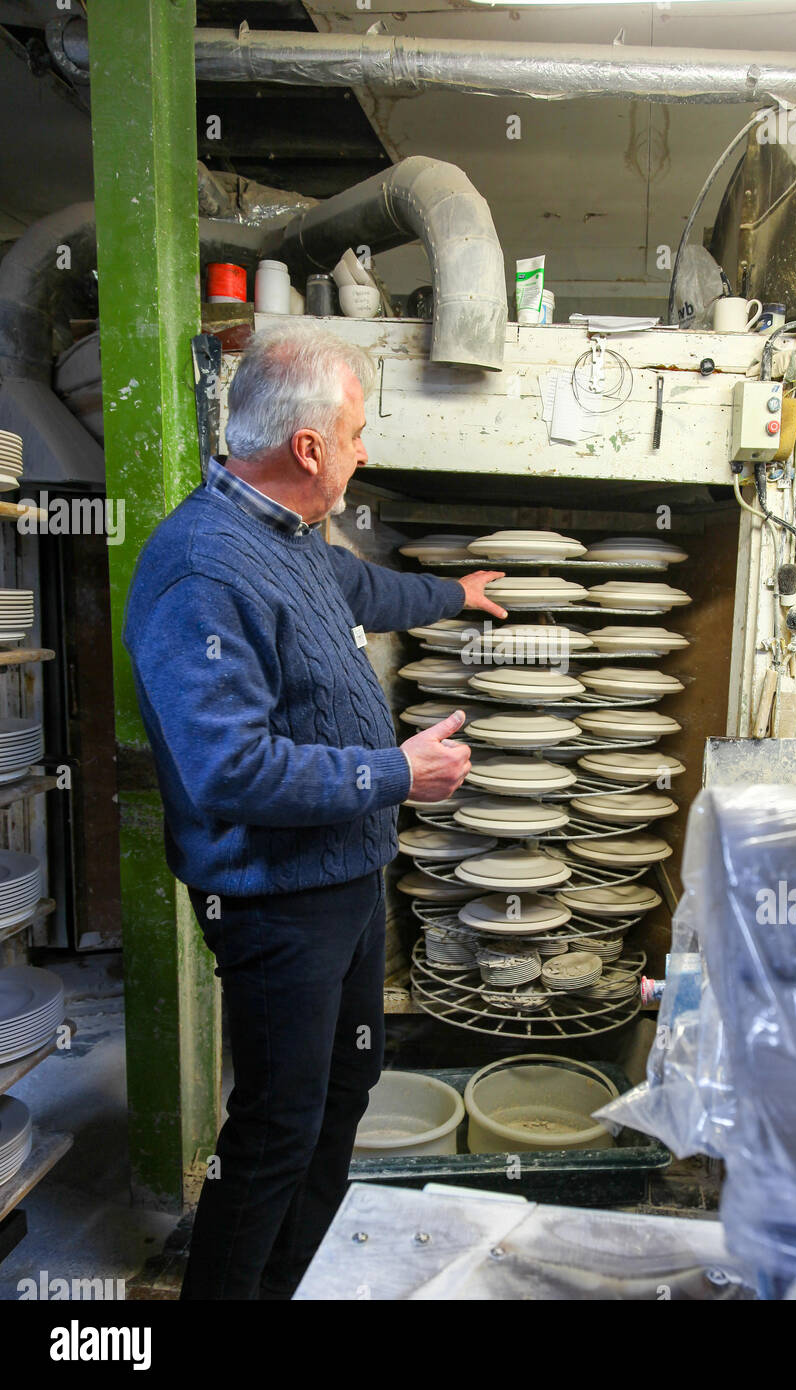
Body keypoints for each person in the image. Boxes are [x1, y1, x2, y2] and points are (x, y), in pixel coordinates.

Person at [122, 321, 506, 1299]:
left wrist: (452, 592)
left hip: (342, 886)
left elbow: (362, 588)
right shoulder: (203, 569)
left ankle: (294, 1281)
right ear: (309, 448)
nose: (364, 448)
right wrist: (395, 773)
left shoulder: (286, 537)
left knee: (341, 1096)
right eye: (358, 431)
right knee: (277, 1127)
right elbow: (229, 771)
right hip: (275, 903)